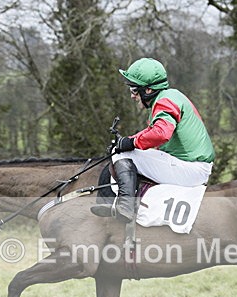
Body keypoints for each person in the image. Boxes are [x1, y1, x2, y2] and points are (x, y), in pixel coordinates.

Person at [91, 57, 215, 223]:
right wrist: (128, 141)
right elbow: (153, 135)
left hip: (191, 169)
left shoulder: (165, 101)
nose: (132, 96)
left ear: (148, 91)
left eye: (134, 90)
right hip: (191, 166)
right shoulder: (170, 97)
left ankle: (125, 206)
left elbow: (160, 134)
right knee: (126, 151)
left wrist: (130, 143)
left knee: (121, 156)